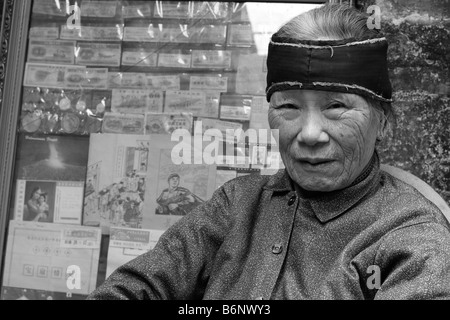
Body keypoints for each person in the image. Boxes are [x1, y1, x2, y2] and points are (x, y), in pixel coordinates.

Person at [87, 4, 450, 300]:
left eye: (336, 106)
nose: (309, 134)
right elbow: (139, 286)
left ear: (384, 122)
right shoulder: (238, 204)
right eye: (289, 106)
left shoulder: (412, 237)